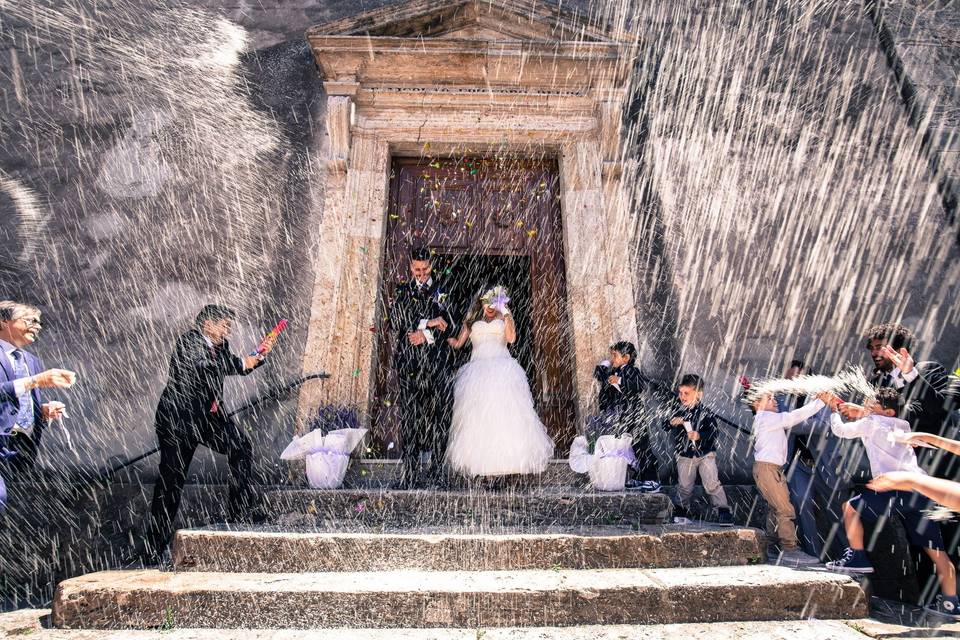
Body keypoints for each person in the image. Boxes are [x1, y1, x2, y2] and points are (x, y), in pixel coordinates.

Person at [145, 305, 274, 558]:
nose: (228, 329)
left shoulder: (221, 347)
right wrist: (238, 362)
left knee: (241, 447)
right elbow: (205, 366)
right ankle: (154, 546)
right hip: (179, 422)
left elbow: (234, 366)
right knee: (171, 482)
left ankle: (239, 513)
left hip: (208, 420)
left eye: (229, 325)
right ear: (207, 325)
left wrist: (257, 358)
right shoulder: (189, 342)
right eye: (224, 324)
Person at [822, 388, 958, 620]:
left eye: (871, 404)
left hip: (894, 488)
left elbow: (841, 430)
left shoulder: (871, 422)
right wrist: (860, 411)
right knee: (937, 552)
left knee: (850, 507)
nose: (867, 407)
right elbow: (874, 420)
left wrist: (833, 409)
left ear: (887, 410)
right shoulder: (903, 424)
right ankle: (951, 603)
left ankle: (858, 556)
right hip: (920, 492)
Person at [444, 286, 553, 479]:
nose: (490, 307)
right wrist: (438, 334)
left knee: (503, 416)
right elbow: (458, 343)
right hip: (477, 372)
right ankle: (484, 470)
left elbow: (511, 338)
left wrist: (507, 313)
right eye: (487, 302)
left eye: (494, 302)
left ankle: (505, 465)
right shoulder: (471, 321)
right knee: (479, 419)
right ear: (481, 302)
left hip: (502, 370)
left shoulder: (504, 319)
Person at [849, 323, 956, 478]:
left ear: (900, 349)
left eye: (879, 347)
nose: (873, 352)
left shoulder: (928, 370)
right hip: (901, 470)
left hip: (939, 463)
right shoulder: (877, 383)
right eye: (871, 348)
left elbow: (938, 409)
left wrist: (911, 375)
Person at [389, 247, 456, 488]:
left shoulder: (444, 290)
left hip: (438, 366)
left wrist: (425, 335)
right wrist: (428, 322)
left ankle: (438, 473)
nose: (420, 273)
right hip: (409, 367)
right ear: (410, 268)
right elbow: (395, 320)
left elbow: (452, 324)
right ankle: (410, 474)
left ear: (431, 266)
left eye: (425, 268)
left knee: (440, 419)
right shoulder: (402, 291)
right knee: (410, 419)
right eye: (416, 269)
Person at [0, 301, 76, 514]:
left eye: (39, 322)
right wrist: (36, 381)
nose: (37, 326)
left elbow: (14, 403)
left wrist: (41, 411)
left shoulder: (31, 361)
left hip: (17, 448)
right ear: (4, 321)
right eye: (29, 320)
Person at [747, 387, 826, 562]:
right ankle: (789, 549)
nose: (775, 400)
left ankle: (771, 547)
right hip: (768, 469)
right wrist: (820, 403)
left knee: (776, 508)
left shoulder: (764, 418)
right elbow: (792, 417)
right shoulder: (766, 418)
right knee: (785, 509)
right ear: (757, 403)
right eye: (770, 398)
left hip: (769, 469)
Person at [662, 374, 733, 525]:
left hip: (705, 454)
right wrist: (671, 422)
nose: (682, 396)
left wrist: (699, 435)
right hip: (685, 455)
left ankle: (723, 511)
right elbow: (664, 425)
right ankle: (681, 510)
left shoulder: (706, 413)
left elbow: (714, 432)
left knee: (712, 483)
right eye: (680, 393)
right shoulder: (677, 410)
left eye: (686, 393)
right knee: (684, 486)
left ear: (698, 394)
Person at [593, 341, 658, 487]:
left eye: (615, 355)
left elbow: (639, 385)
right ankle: (637, 477)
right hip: (622, 417)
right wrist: (606, 364)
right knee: (627, 448)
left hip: (635, 416)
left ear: (626, 358)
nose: (612, 359)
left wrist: (620, 380)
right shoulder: (613, 371)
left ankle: (652, 479)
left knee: (642, 446)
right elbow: (599, 374)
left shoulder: (630, 370)